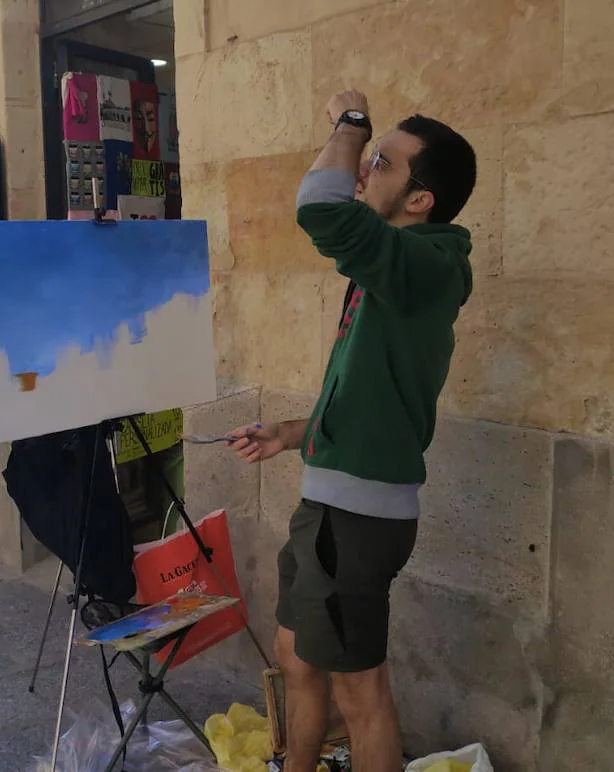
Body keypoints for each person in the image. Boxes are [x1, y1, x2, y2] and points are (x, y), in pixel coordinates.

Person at [226, 90, 476, 772]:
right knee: (295, 656)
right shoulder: (396, 266)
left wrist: (351, 122)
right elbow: (377, 399)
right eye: (366, 159)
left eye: (382, 163)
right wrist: (296, 431)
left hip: (357, 521)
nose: (362, 169)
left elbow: (319, 208)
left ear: (421, 199)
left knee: (361, 692)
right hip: (329, 507)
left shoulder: (422, 266)